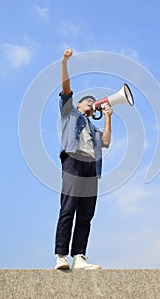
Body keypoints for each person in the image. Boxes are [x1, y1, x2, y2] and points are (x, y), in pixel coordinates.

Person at [55, 49, 113, 270]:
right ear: (79, 105)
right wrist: (64, 62)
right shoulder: (70, 113)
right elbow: (66, 88)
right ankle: (61, 255)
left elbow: (106, 141)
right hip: (73, 161)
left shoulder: (93, 127)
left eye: (92, 101)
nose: (91, 102)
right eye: (87, 100)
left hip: (91, 167)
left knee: (86, 213)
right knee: (68, 207)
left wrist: (107, 118)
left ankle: (79, 255)